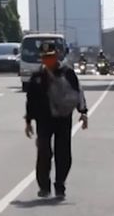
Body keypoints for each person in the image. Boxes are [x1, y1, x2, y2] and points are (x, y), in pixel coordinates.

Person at [24, 43, 88, 199]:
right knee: (44, 152)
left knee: (63, 153)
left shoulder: (68, 73)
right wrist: (28, 121)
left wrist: (83, 113)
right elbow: (30, 100)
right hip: (43, 120)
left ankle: (60, 184)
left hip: (63, 118)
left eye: (51, 57)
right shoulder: (38, 77)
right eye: (45, 57)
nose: (48, 60)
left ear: (57, 56)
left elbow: (78, 92)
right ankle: (44, 187)